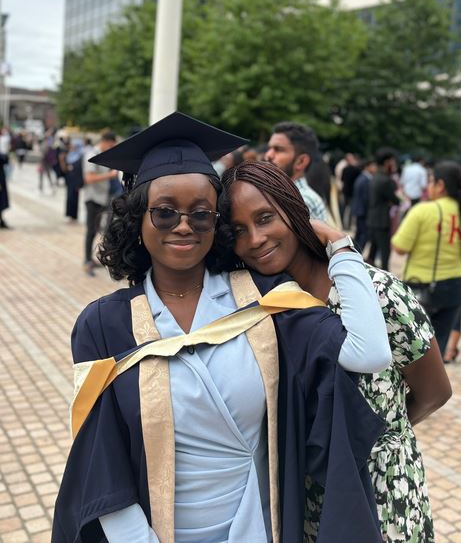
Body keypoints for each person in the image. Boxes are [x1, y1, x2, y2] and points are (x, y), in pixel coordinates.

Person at [53, 112, 392, 543]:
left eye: (201, 214)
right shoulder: (103, 325)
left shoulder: (263, 301)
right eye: (164, 213)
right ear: (137, 220)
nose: (184, 226)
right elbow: (102, 464)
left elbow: (369, 352)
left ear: (217, 223)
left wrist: (341, 248)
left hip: (258, 525)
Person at [219, 160, 452, 543]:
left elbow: (435, 392)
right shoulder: (259, 305)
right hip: (306, 493)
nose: (256, 239)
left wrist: (375, 435)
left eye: (265, 218)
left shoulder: (375, 292)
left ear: (293, 211)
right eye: (239, 230)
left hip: (382, 491)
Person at [392, 161, 461, 356]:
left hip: (422, 287)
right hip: (455, 287)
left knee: (413, 349)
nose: (428, 186)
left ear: (440, 185)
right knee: (439, 347)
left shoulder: (423, 210)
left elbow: (399, 247)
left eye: (431, 181)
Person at [265, 122, 327, 221]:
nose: (268, 155)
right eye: (269, 148)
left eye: (278, 149)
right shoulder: (285, 195)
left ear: (301, 161)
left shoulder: (301, 201)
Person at [82, 130, 118, 275]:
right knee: (91, 231)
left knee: (101, 230)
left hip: (103, 198)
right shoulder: (92, 155)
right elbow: (89, 178)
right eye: (111, 146)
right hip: (93, 198)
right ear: (105, 142)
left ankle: (92, 258)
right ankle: (87, 261)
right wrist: (110, 175)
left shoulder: (103, 155)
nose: (111, 149)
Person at [366, 148, 400, 271]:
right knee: (385, 251)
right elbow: (396, 200)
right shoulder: (386, 180)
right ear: (387, 162)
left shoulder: (375, 177)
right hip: (382, 220)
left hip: (372, 218)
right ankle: (385, 274)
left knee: (373, 250)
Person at [351, 158, 377, 251]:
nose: (375, 168)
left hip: (359, 210)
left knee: (359, 233)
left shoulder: (362, 178)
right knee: (364, 234)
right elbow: (366, 198)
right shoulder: (365, 180)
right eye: (373, 166)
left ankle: (355, 252)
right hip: (363, 211)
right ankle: (358, 253)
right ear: (367, 167)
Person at [60, 139, 84, 222]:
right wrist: (62, 160)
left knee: (75, 198)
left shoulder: (81, 156)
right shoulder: (69, 155)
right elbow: (65, 169)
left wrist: (80, 183)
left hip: (76, 181)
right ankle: (69, 214)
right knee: (69, 197)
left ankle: (74, 216)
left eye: (74, 146)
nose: (72, 147)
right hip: (69, 180)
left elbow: (81, 171)